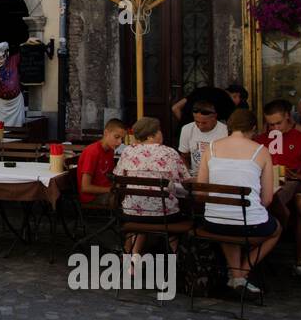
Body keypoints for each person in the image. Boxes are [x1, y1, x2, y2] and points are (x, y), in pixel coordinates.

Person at [196, 108, 280, 299]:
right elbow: (267, 199)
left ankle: (236, 276)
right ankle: (242, 274)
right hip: (246, 222)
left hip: (214, 221)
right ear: (253, 128)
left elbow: (201, 190)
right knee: (277, 229)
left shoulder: (211, 148)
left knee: (227, 224)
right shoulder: (261, 151)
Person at [262, 99, 301, 285]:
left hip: (293, 185)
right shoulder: (261, 139)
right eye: (270, 124)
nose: (274, 128)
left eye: (278, 123)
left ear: (288, 117)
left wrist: (293, 175)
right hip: (265, 186)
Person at [113, 116, 188, 255]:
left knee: (141, 207)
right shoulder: (169, 152)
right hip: (164, 215)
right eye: (160, 131)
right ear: (153, 135)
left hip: (132, 213)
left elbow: (119, 177)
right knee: (180, 213)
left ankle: (133, 260)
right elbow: (184, 181)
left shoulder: (127, 151)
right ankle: (176, 257)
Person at [77, 119, 127, 207]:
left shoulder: (110, 150)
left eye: (122, 139)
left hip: (105, 190)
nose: (119, 142)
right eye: (116, 137)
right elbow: (85, 187)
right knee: (122, 197)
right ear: (106, 133)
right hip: (92, 197)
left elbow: (108, 176)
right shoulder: (92, 152)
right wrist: (110, 189)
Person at [177, 99, 229, 177]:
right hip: (195, 176)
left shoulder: (225, 131)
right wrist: (187, 175)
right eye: (197, 122)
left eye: (204, 123)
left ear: (214, 117)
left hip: (218, 176)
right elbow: (184, 156)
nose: (200, 126)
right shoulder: (187, 129)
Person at [0, 41, 26, 127]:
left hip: (16, 102)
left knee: (19, 126)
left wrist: (28, 43)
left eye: (0, 58)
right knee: (2, 127)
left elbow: (23, 52)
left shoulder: (13, 60)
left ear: (6, 55)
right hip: (3, 104)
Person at [170, 85, 237, 135]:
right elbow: (231, 123)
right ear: (236, 95)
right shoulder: (226, 99)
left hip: (185, 132)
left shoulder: (198, 92)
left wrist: (186, 123)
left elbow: (175, 108)